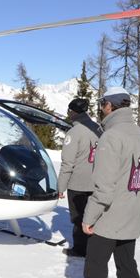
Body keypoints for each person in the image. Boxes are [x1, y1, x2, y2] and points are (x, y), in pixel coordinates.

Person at [82, 87, 140, 278]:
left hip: (108, 218)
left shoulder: (110, 137)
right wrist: (130, 196)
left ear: (109, 106)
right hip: (132, 214)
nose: (100, 109)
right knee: (126, 265)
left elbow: (104, 188)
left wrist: (88, 218)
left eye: (101, 104)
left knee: (94, 269)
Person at [57, 98, 103, 258]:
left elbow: (67, 163)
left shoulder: (74, 132)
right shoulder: (98, 128)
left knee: (78, 218)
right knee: (94, 216)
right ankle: (95, 248)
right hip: (97, 181)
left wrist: (60, 187)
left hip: (79, 183)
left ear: (72, 112)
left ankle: (80, 249)